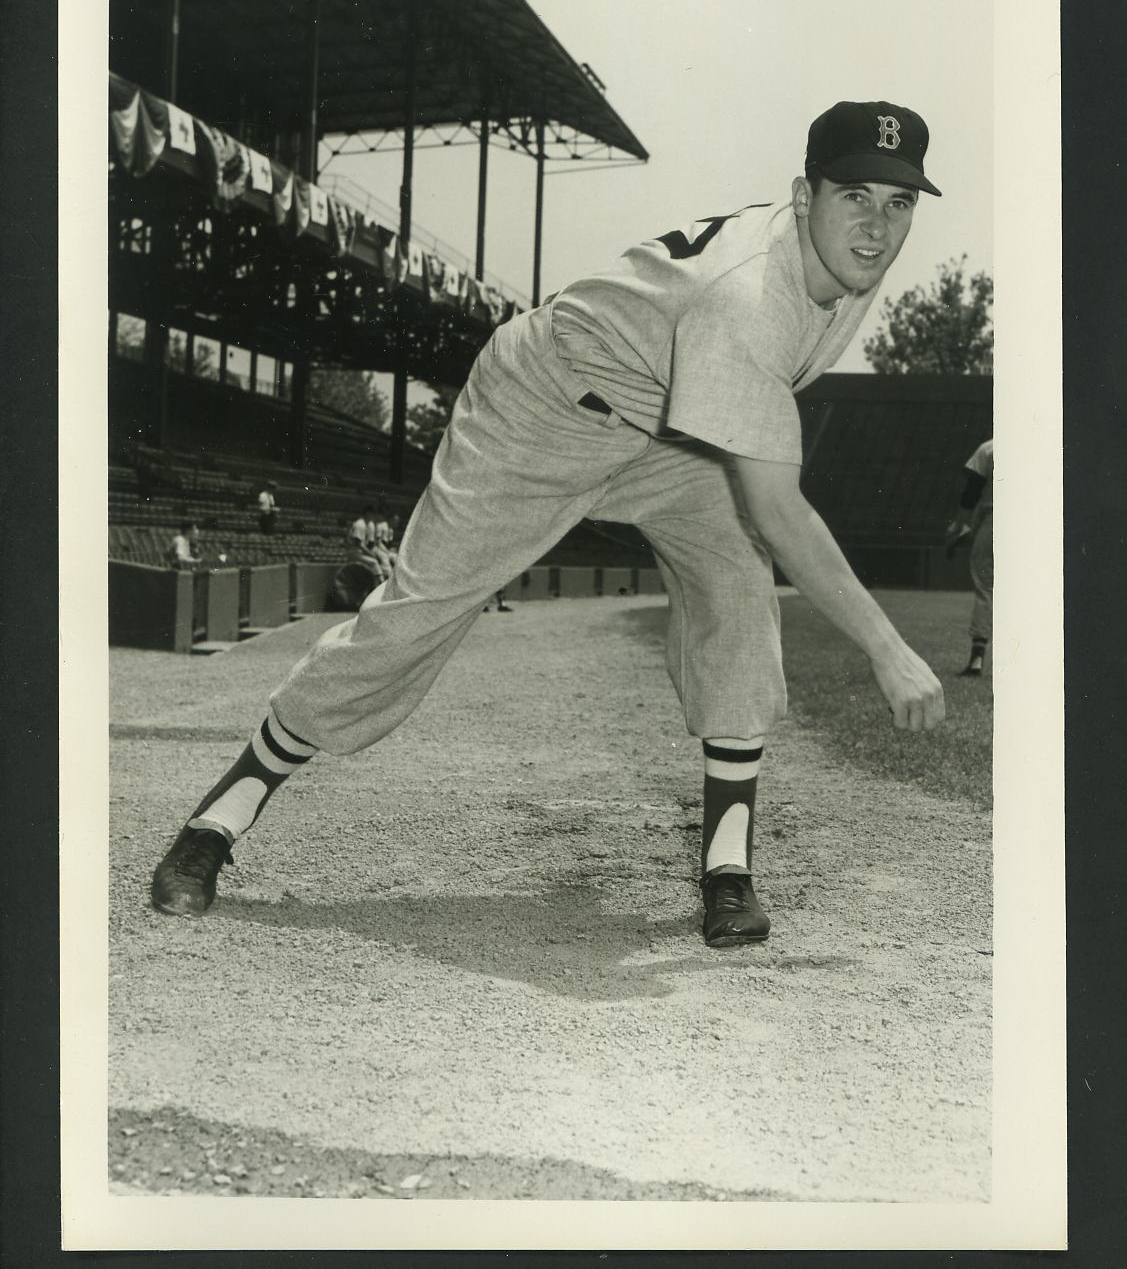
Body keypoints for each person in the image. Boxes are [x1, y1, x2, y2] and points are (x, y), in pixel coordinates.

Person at [150, 100, 946, 949]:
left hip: (666, 432)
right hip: (544, 404)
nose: (876, 224)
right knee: (417, 615)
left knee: (737, 585)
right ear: (802, 195)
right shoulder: (747, 297)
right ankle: (215, 824)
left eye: (899, 203)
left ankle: (727, 866)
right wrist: (888, 650)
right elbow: (782, 509)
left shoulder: (847, 263)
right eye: (854, 195)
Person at [946, 438, 994, 677]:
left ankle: (976, 659)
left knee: (986, 588)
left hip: (995, 521)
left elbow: (971, 491)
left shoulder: (990, 447)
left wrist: (960, 524)